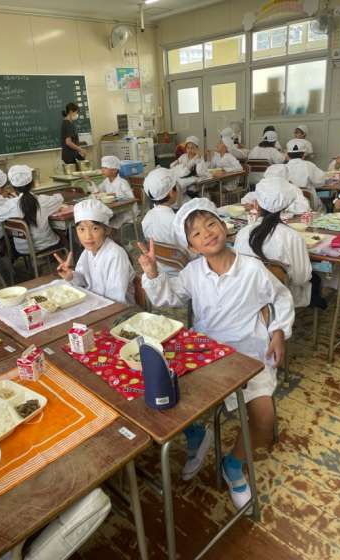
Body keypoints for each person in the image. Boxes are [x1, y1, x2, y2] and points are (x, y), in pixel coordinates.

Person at [138, 198, 294, 507]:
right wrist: (153, 274)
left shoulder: (252, 268)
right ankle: (197, 435)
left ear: (224, 226)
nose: (206, 233)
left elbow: (281, 298)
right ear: (191, 247)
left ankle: (233, 465)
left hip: (249, 353)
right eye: (196, 233)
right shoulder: (192, 272)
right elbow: (169, 297)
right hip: (205, 353)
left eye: (211, 224)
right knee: (165, 396)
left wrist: (278, 331)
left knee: (264, 420)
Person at [235, 178, 316, 308]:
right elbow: (301, 278)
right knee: (315, 279)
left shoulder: (243, 233)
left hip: (247, 294)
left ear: (257, 204)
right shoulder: (292, 236)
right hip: (281, 297)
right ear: (286, 206)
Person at [55, 198, 135, 304]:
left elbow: (116, 298)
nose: (88, 236)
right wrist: (71, 276)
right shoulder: (87, 252)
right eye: (82, 229)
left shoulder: (116, 255)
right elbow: (84, 280)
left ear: (107, 230)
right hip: (96, 302)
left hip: (118, 309)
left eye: (95, 228)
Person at [0, 165, 64, 255]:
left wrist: (12, 198)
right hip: (47, 244)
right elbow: (59, 198)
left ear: (12, 187)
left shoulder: (10, 205)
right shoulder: (42, 200)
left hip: (22, 249)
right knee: (62, 234)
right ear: (32, 183)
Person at [142, 167, 180, 277]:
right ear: (171, 192)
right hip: (180, 273)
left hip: (159, 271)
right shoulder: (176, 221)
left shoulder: (146, 218)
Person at [241, 165, 310, 215]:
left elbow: (304, 207)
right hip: (281, 221)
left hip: (269, 219)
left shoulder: (262, 185)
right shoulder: (293, 188)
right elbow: (304, 208)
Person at [98, 156, 139, 229]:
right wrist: (90, 182)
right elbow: (99, 191)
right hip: (116, 210)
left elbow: (131, 199)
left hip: (127, 211)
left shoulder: (122, 182)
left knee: (109, 226)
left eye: (105, 168)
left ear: (114, 170)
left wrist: (115, 196)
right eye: (102, 168)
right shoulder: (106, 181)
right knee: (101, 221)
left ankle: (113, 234)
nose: (102, 170)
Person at [285, 139, 325, 212]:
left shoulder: (283, 168)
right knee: (323, 208)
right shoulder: (309, 165)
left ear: (287, 155)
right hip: (309, 203)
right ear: (304, 155)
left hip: (288, 204)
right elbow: (320, 182)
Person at [170, 136, 209, 201]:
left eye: (192, 148)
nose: (190, 150)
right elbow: (172, 165)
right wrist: (175, 164)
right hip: (183, 180)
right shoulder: (183, 156)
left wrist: (195, 158)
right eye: (188, 148)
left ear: (197, 148)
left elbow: (200, 172)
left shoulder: (199, 159)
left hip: (194, 184)